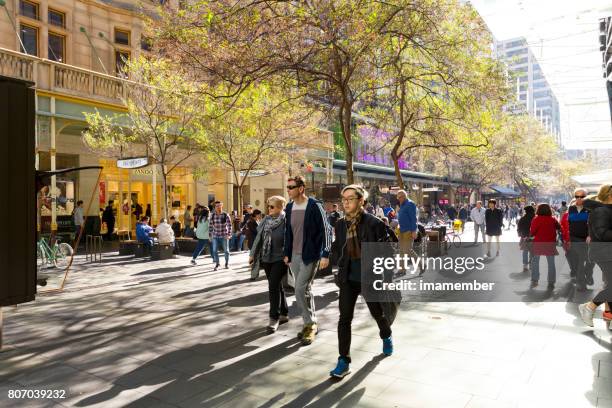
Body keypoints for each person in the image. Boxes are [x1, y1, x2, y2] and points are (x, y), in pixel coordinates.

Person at [329, 184, 394, 378]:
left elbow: (386, 254)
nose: (346, 203)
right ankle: (343, 360)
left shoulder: (374, 223)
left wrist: (386, 280)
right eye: (344, 199)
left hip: (369, 277)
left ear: (361, 201)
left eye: (350, 199)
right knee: (344, 319)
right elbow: (338, 247)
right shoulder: (340, 224)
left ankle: (386, 335)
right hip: (348, 278)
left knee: (378, 313)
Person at [284, 175, 332, 346]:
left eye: (291, 187)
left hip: (310, 255)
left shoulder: (314, 206)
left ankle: (309, 324)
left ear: (301, 188)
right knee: (305, 289)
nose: (288, 190)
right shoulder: (289, 207)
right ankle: (310, 323)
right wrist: (287, 253)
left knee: (299, 289)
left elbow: (327, 230)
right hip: (294, 256)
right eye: (287, 187)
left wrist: (325, 253)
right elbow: (288, 232)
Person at [249, 196, 290, 333]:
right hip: (266, 258)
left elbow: (291, 239)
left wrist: (288, 254)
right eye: (268, 206)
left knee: (272, 286)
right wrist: (252, 254)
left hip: (280, 259)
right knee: (277, 285)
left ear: (280, 207)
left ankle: (274, 318)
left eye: (272, 206)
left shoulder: (286, 220)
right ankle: (284, 312)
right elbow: (258, 238)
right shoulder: (266, 220)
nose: (269, 209)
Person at [578, 184, 612, 329]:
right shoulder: (600, 211)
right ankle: (590, 307)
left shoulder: (605, 210)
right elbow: (602, 234)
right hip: (604, 252)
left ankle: (605, 312)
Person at [562, 189, 595, 291]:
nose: (579, 199)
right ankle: (581, 284)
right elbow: (569, 224)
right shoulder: (571, 208)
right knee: (579, 262)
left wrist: (590, 235)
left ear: (586, 197)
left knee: (591, 261)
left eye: (582, 196)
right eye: (577, 196)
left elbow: (593, 224)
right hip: (574, 238)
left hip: (588, 239)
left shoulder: (590, 209)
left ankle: (588, 274)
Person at [529, 203, 560, 289]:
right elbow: (559, 227)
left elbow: (532, 232)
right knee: (551, 263)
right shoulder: (553, 219)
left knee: (535, 261)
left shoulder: (536, 219)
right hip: (550, 243)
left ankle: (535, 280)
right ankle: (551, 282)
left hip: (538, 243)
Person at [396, 190, 418, 274]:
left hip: (408, 230)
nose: (399, 199)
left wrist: (414, 230)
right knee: (401, 250)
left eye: (400, 197)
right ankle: (402, 269)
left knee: (407, 250)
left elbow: (413, 218)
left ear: (405, 196)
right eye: (398, 197)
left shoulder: (410, 204)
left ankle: (421, 264)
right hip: (401, 230)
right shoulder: (402, 205)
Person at [210, 201, 232, 270]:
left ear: (222, 206)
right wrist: (210, 235)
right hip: (215, 235)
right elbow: (210, 226)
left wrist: (228, 234)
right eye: (217, 206)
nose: (218, 207)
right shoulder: (213, 215)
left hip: (224, 235)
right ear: (215, 207)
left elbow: (229, 225)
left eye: (220, 205)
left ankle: (226, 263)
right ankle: (217, 263)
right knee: (214, 251)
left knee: (226, 251)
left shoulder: (225, 215)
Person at [517, 205, 535, 273]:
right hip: (533, 238)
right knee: (532, 252)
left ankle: (525, 266)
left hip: (524, 237)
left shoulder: (523, 218)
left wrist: (521, 235)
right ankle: (531, 264)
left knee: (525, 251)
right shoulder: (535, 218)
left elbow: (519, 228)